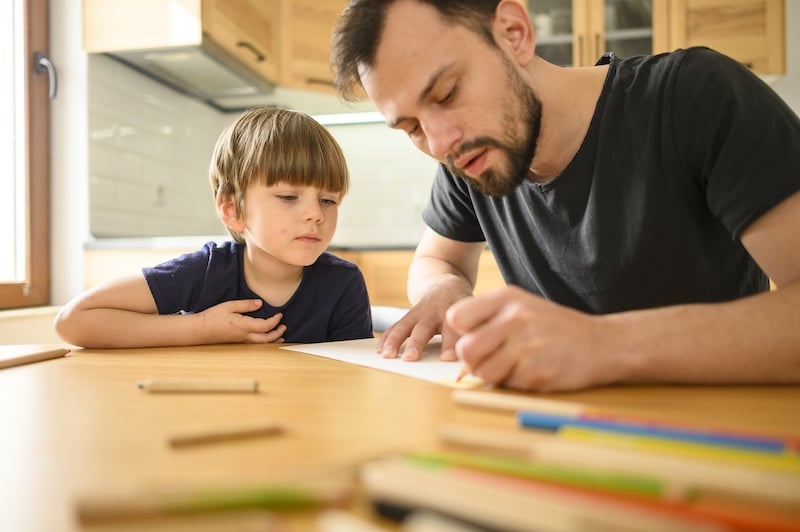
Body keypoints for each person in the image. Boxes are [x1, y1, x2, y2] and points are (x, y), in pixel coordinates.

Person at [331, 0, 800, 391]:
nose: (437, 144)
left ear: (514, 34)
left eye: (448, 93)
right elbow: (437, 260)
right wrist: (444, 291)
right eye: (411, 126)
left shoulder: (694, 96)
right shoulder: (469, 156)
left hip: (719, 431)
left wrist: (604, 344)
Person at [55, 107, 373, 348]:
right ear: (232, 209)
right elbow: (73, 321)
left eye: (329, 200)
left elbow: (354, 377)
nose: (315, 214)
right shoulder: (206, 271)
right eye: (289, 196)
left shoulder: (343, 284)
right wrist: (202, 328)